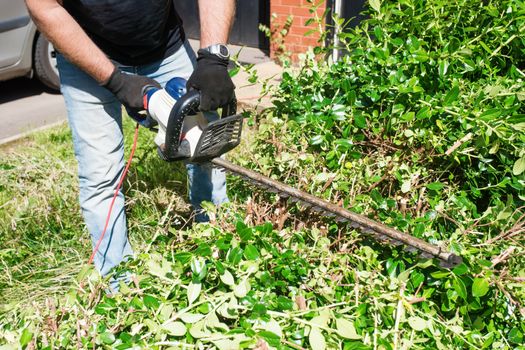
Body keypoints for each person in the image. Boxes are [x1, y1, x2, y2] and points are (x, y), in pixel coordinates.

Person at [25, 0, 236, 278]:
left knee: (204, 145)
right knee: (100, 175)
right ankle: (121, 287)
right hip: (86, 50)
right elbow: (45, 8)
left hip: (164, 45)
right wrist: (117, 81)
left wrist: (213, 58)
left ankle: (218, 249)